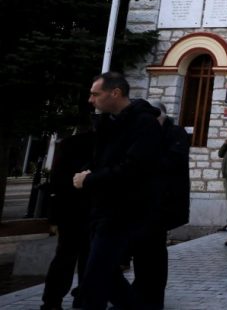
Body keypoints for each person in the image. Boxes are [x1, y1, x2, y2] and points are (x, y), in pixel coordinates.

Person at [73, 72, 163, 310]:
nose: (91, 100)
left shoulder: (144, 123)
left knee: (95, 277)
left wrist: (90, 179)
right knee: (106, 276)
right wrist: (86, 172)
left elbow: (134, 167)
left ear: (115, 93)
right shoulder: (107, 122)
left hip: (125, 210)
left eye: (95, 94)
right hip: (102, 207)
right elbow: (102, 158)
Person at [132, 101, 190, 310]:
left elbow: (170, 163)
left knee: (154, 252)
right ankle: (140, 292)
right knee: (142, 251)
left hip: (163, 203)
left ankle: (153, 298)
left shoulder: (175, 134)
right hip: (145, 203)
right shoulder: (149, 134)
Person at [41, 125, 95, 310]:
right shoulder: (106, 145)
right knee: (87, 256)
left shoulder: (69, 144)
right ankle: (82, 297)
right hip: (90, 210)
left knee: (65, 256)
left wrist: (54, 216)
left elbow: (56, 182)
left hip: (69, 209)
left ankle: (52, 301)